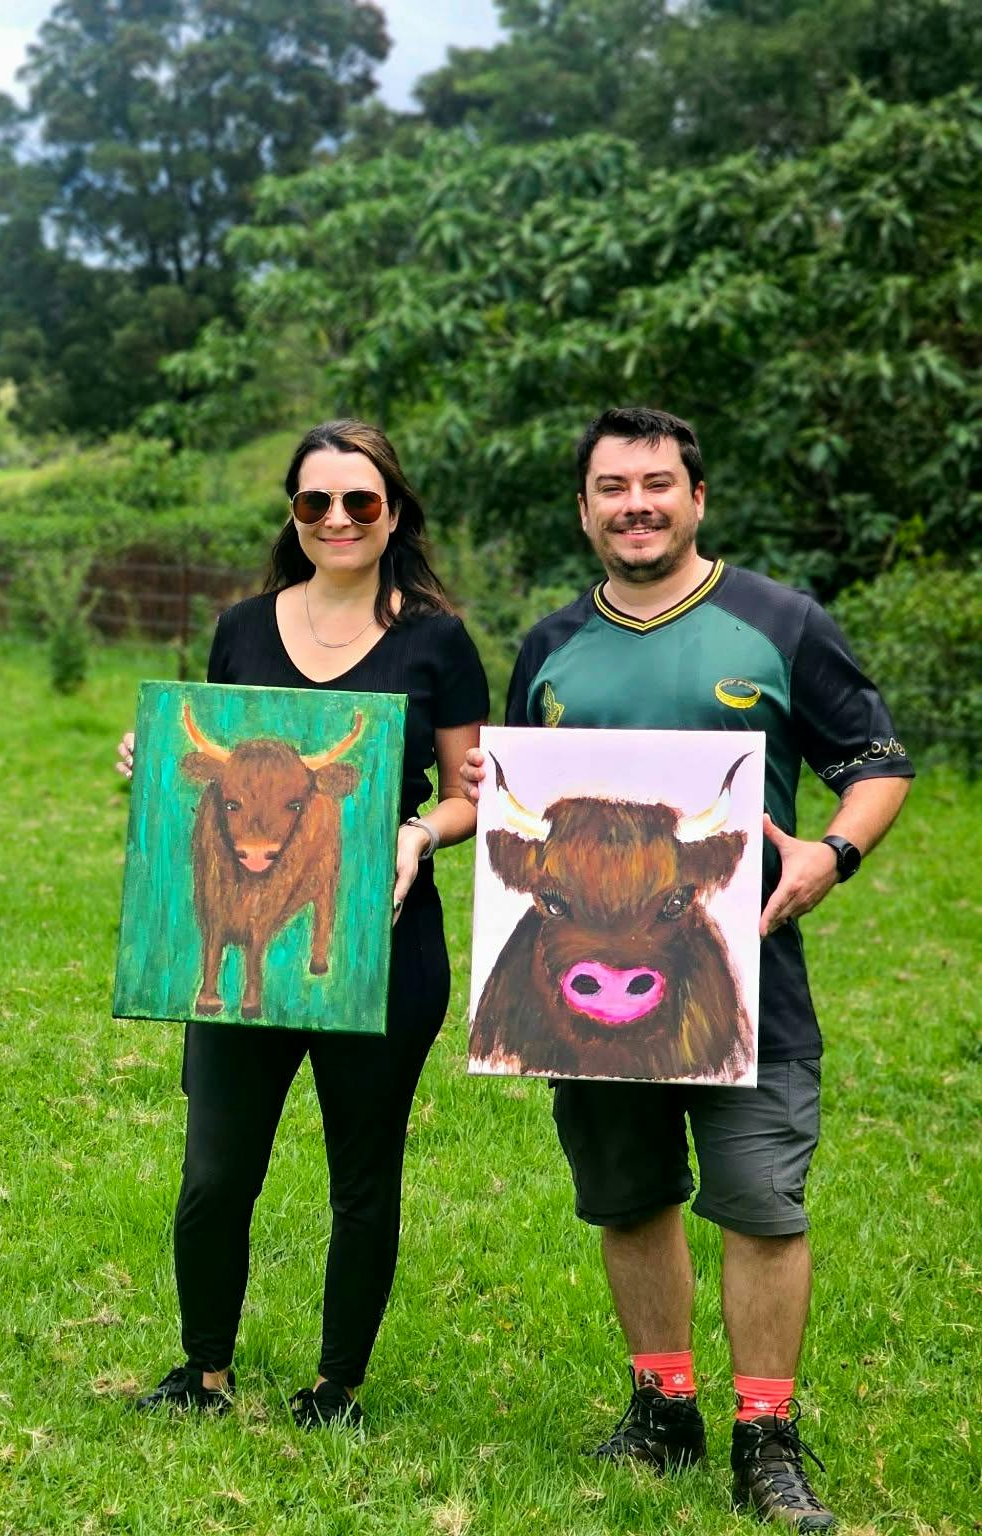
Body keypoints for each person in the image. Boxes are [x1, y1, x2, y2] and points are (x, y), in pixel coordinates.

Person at [463, 407, 911, 1529]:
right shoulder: (549, 647)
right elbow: (508, 799)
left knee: (759, 1204)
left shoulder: (776, 622)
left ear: (695, 497)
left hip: (743, 979)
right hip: (584, 989)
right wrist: (478, 781)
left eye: (655, 483)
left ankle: (766, 1436)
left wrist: (832, 850)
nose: (634, 504)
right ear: (582, 510)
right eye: (610, 487)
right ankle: (661, 1408)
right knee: (627, 1195)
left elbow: (874, 759)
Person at [116, 419, 488, 1426]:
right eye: (313, 502)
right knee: (214, 1172)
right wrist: (151, 771)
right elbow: (224, 773)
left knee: (362, 1177)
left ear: (392, 513)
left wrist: (417, 833)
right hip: (237, 945)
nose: (336, 519)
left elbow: (473, 791)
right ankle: (201, 1372)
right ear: (292, 515)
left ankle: (336, 1387)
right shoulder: (240, 626)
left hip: (380, 945)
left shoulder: (436, 641)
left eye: (358, 501)